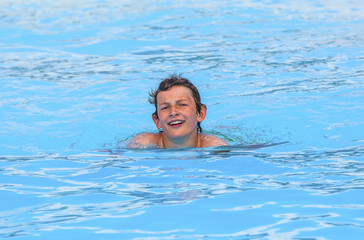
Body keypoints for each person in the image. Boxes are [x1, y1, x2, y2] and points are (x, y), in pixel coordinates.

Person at [127, 74, 229, 148]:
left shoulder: (215, 146)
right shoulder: (141, 144)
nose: (173, 112)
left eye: (182, 105)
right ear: (157, 121)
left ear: (200, 113)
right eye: (165, 107)